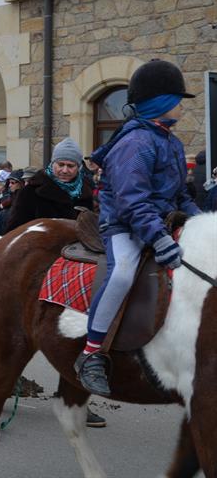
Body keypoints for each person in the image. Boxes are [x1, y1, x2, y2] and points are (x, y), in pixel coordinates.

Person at [76, 59, 201, 398]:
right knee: (122, 274)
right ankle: (92, 353)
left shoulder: (170, 142)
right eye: (176, 100)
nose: (180, 107)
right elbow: (133, 202)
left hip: (159, 222)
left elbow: (179, 195)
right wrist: (159, 238)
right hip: (124, 225)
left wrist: (202, 222)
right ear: (159, 103)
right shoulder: (136, 144)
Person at [5, 138, 94, 232]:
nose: (65, 170)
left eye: (70, 166)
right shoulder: (31, 191)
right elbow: (14, 231)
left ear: (78, 168)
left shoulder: (86, 193)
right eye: (61, 164)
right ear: (52, 164)